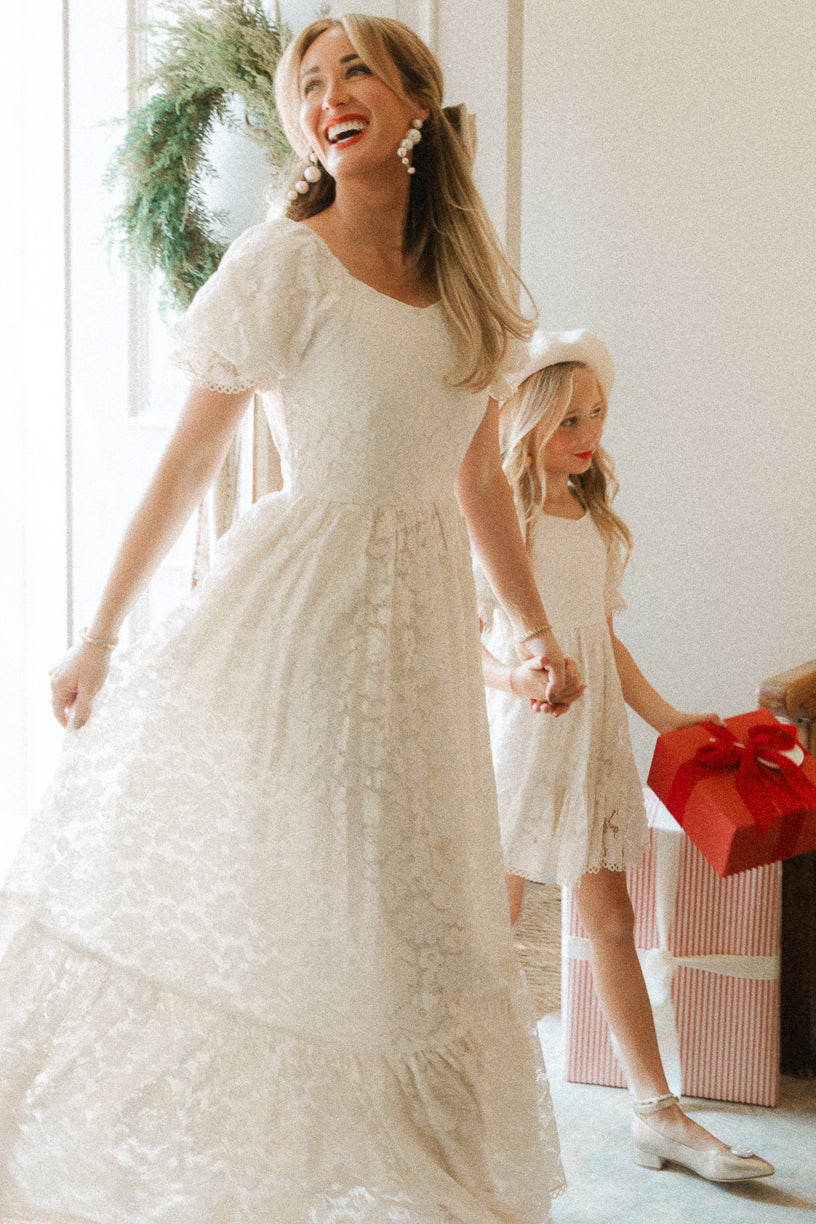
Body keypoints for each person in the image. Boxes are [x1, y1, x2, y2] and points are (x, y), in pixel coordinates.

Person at [0, 15, 582, 1222]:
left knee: (419, 909)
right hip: (305, 619)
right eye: (308, 84)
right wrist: (100, 631)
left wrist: (531, 634)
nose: (329, 97)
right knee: (323, 899)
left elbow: (477, 483)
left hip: (419, 634)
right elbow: (186, 464)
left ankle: (426, 1167)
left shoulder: (468, 280)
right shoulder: (283, 262)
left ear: (416, 99)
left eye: (355, 70)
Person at [479, 329, 774, 1183]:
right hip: (518, 742)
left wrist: (670, 717)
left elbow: (603, 645)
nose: (588, 432)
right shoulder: (506, 515)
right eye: (569, 419)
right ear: (528, 423)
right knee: (487, 926)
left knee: (612, 921)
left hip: (590, 736)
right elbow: (466, 644)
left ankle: (658, 1112)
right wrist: (517, 679)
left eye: (597, 414)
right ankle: (461, 1098)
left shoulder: (594, 520)